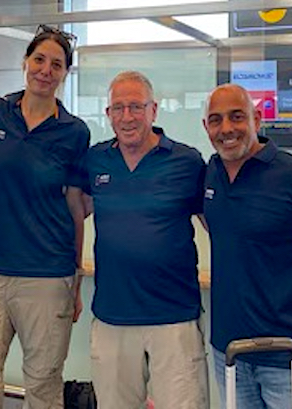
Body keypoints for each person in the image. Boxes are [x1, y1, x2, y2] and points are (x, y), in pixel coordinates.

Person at [0, 25, 90, 409]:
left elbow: (75, 206)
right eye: (39, 60)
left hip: (48, 276)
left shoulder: (74, 132)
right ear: (26, 63)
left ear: (65, 73)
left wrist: (76, 279)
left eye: (57, 64)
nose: (46, 70)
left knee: (44, 391)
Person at [201, 84, 292, 409]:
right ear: (206, 127)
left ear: (257, 119)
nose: (226, 128)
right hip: (229, 353)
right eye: (216, 120)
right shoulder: (210, 174)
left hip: (291, 354)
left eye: (237, 117)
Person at [80, 71, 209, 409]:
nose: (127, 117)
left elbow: (220, 226)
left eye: (136, 106)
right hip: (112, 317)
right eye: (118, 108)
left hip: (174, 317)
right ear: (107, 114)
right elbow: (71, 212)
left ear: (154, 110)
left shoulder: (187, 161)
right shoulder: (95, 160)